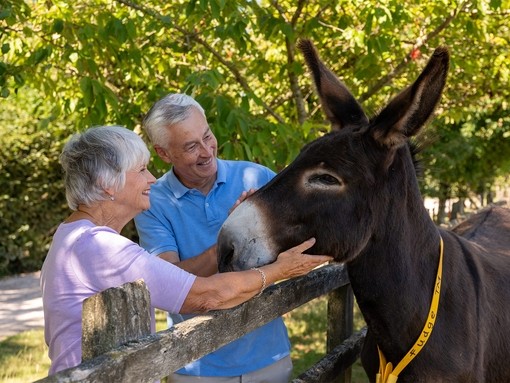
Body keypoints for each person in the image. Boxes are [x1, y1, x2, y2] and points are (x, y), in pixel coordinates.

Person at [40, 125, 332, 376]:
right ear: (107, 184)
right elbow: (207, 295)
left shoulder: (76, 238)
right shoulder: (98, 246)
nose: (152, 179)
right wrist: (279, 270)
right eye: (141, 170)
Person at [134, 94, 292, 383]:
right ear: (164, 153)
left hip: (268, 356)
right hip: (196, 366)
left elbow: (299, 247)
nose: (207, 151)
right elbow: (170, 281)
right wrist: (231, 234)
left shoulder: (256, 177)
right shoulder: (151, 202)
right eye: (192, 146)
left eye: (207, 136)